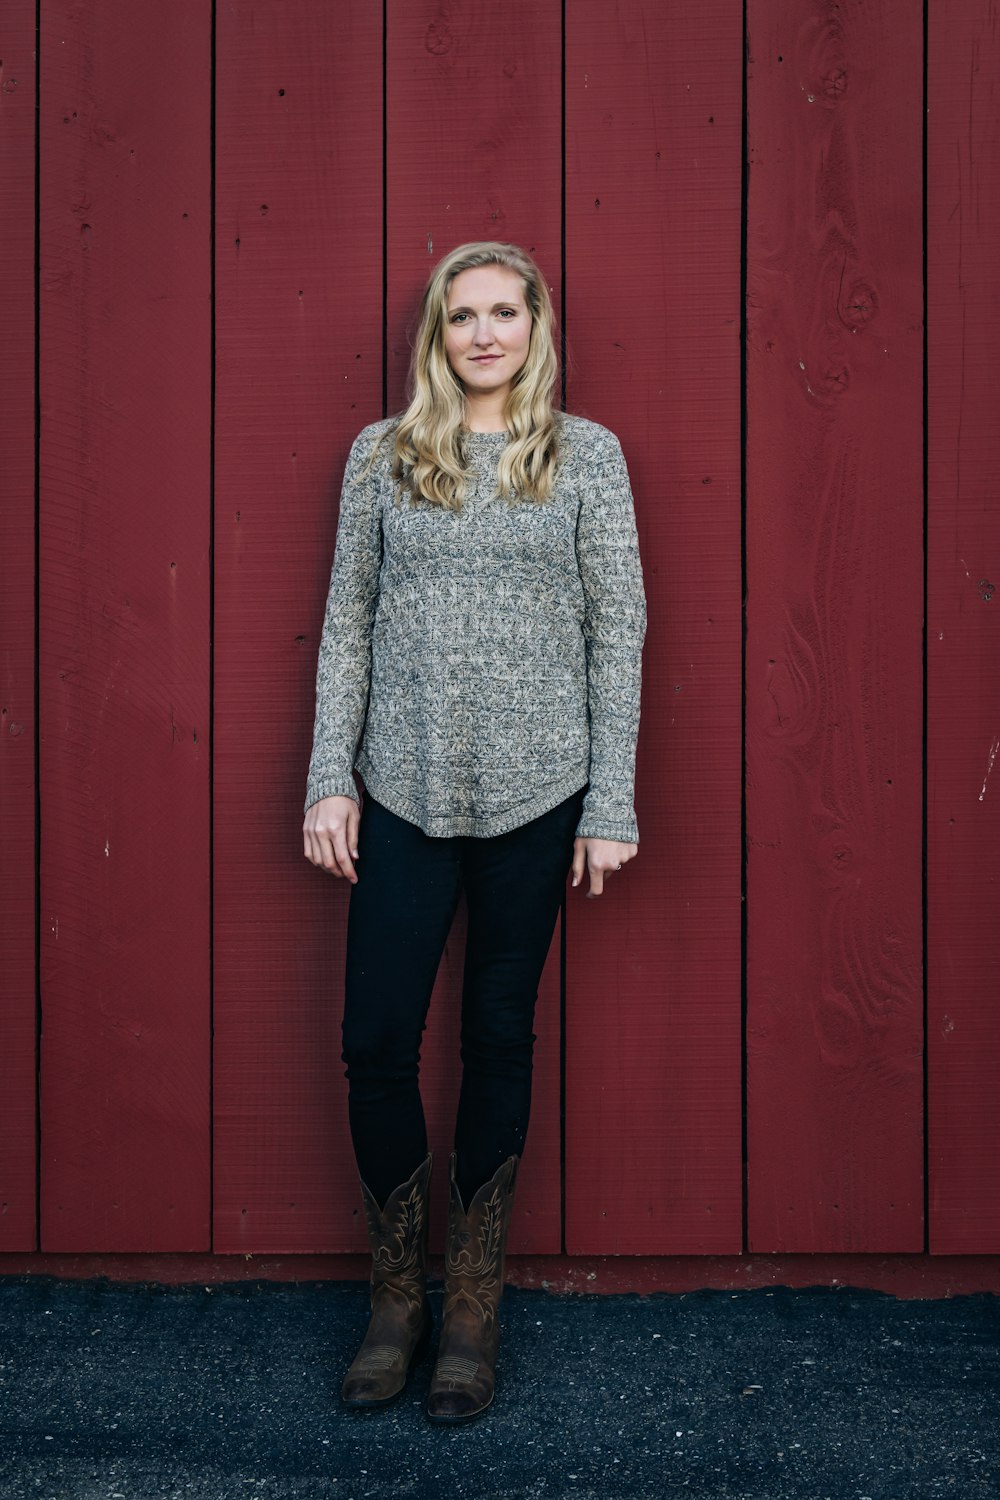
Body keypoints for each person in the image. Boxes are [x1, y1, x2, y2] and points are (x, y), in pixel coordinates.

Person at [302, 241, 646, 1424]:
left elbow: (621, 635)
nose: (484, 334)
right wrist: (326, 782)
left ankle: (470, 1309)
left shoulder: (584, 457)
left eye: (505, 313)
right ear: (436, 336)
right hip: (399, 789)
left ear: (536, 325)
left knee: (500, 1039)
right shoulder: (383, 458)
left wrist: (609, 802)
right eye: (463, 317)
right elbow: (346, 626)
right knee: (375, 1039)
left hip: (537, 793)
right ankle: (397, 1295)